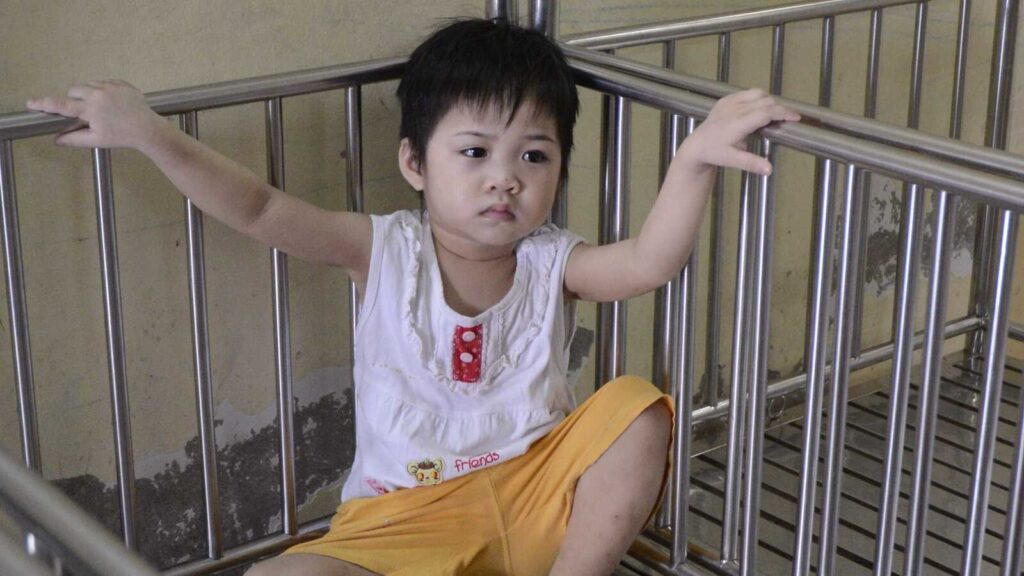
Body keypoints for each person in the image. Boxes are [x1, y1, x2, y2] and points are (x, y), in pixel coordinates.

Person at [26, 17, 798, 576]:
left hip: (537, 504)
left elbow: (650, 263)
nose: (505, 177)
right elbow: (259, 210)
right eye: (474, 152)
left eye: (535, 154)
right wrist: (150, 133)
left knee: (636, 408)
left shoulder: (552, 260)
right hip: (396, 525)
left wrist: (695, 158)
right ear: (415, 164)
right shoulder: (384, 249)